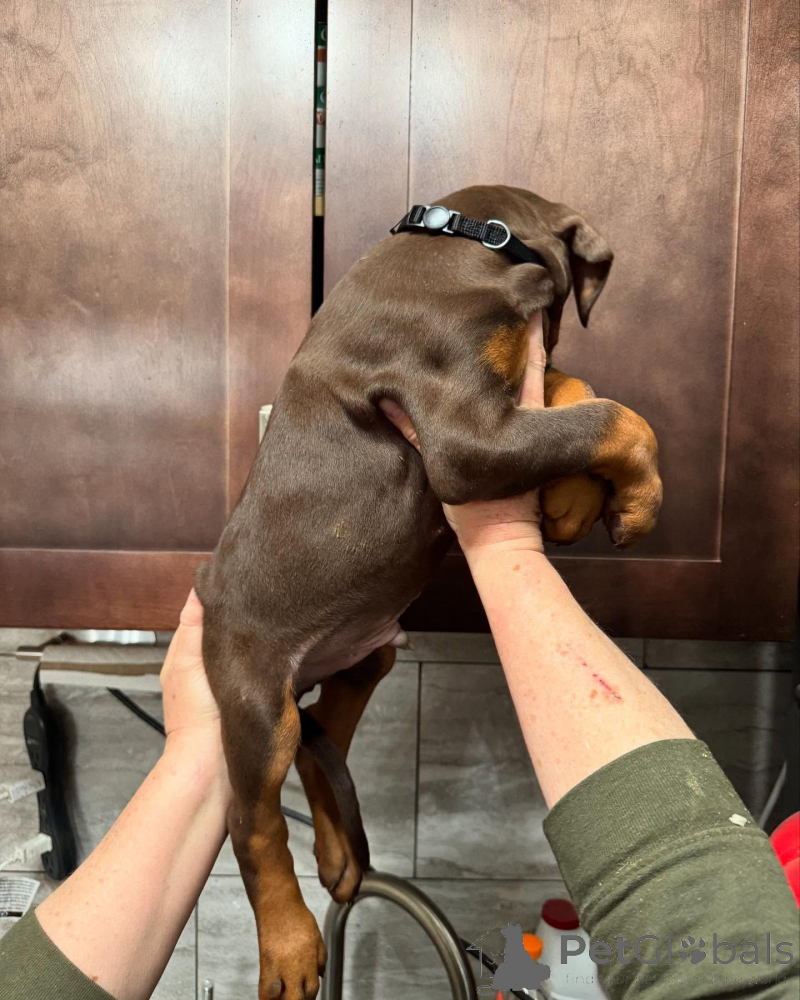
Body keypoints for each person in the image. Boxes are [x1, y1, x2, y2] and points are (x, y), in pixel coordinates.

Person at [1, 315, 797, 999]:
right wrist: (508, 534)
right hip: (310, 615)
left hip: (349, 618)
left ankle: (319, 759)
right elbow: (734, 974)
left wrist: (197, 752)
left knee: (360, 667)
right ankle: (280, 848)